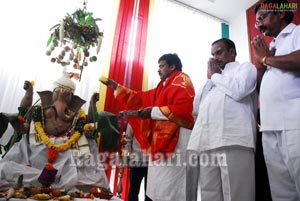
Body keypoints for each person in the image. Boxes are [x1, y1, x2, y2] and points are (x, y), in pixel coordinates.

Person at [100, 53, 195, 201]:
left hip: (178, 143)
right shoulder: (162, 87)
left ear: (172, 66)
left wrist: (152, 111)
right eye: (158, 66)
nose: (159, 70)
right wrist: (118, 88)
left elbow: (182, 109)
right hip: (161, 146)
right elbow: (141, 98)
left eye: (162, 66)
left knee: (174, 188)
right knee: (158, 188)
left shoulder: (182, 80)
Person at [0, 73, 111, 195]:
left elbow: (89, 120)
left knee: (86, 151)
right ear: (50, 95)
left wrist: (92, 103)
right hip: (39, 147)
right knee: (8, 168)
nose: (61, 99)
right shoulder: (39, 109)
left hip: (67, 149)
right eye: (57, 94)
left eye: (67, 95)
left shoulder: (77, 113)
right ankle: (43, 182)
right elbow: (25, 126)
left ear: (73, 99)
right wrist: (28, 94)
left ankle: (68, 184)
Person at [187, 38, 257, 201]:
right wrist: (209, 79)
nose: (214, 58)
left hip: (234, 140)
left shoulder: (245, 68)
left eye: (219, 52)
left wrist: (215, 76)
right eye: (212, 54)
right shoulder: (213, 79)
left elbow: (239, 90)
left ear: (232, 52)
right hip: (206, 142)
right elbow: (196, 108)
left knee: (237, 195)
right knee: (209, 194)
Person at [251, 0, 300, 200]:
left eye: (262, 17)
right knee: (282, 192)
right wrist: (262, 66)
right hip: (270, 126)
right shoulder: (271, 46)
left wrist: (264, 59)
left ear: (280, 13)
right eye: (256, 22)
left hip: (294, 122)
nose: (259, 24)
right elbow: (260, 87)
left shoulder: (297, 32)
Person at [124, 124, 152, 201]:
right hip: (136, 160)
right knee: (134, 189)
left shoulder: (153, 119)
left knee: (150, 191)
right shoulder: (134, 120)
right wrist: (128, 156)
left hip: (151, 161)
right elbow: (128, 140)